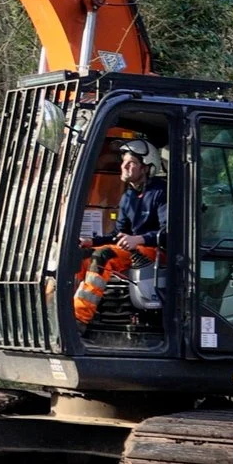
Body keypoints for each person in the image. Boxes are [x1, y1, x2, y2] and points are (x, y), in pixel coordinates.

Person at [75, 138, 167, 325]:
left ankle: (79, 320)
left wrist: (139, 239)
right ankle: (70, 311)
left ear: (146, 167)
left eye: (131, 163)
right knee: (81, 256)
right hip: (134, 249)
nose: (124, 167)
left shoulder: (162, 192)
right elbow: (118, 235)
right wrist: (91, 242)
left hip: (158, 251)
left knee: (104, 256)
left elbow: (170, 232)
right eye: (123, 162)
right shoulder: (128, 197)